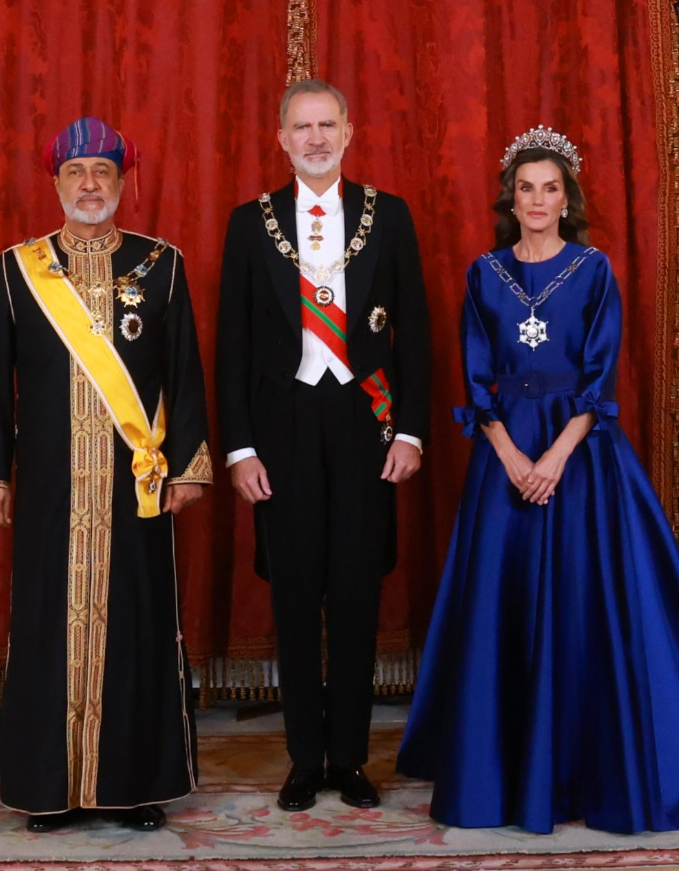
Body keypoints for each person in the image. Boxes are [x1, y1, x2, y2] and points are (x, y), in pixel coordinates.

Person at [397, 126, 679, 834]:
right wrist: (511, 456)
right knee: (503, 615)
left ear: (567, 197)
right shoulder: (485, 273)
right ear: (509, 200)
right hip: (504, 464)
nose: (538, 200)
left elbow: (600, 381)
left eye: (551, 188)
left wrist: (554, 459)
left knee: (581, 613)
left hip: (581, 467)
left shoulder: (594, 271)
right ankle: (505, 774)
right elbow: (476, 379)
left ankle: (585, 768)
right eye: (525, 189)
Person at [0, 117, 212, 832]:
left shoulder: (159, 264)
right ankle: (49, 788)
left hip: (136, 483)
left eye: (102, 172)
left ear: (121, 182)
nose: (89, 185)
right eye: (76, 173)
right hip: (48, 484)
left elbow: (185, 376)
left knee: (136, 626)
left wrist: (191, 465)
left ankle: (135, 786)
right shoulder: (18, 269)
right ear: (56, 183)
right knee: (47, 626)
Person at [216, 79, 430, 813]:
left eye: (326, 125)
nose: (313, 138)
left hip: (365, 423)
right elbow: (233, 346)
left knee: (358, 595)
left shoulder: (388, 216)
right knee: (298, 597)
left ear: (348, 131)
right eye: (301, 127)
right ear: (281, 139)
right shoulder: (252, 224)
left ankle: (352, 759)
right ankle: (305, 759)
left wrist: (409, 430)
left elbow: (417, 335)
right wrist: (239, 449)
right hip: (284, 429)